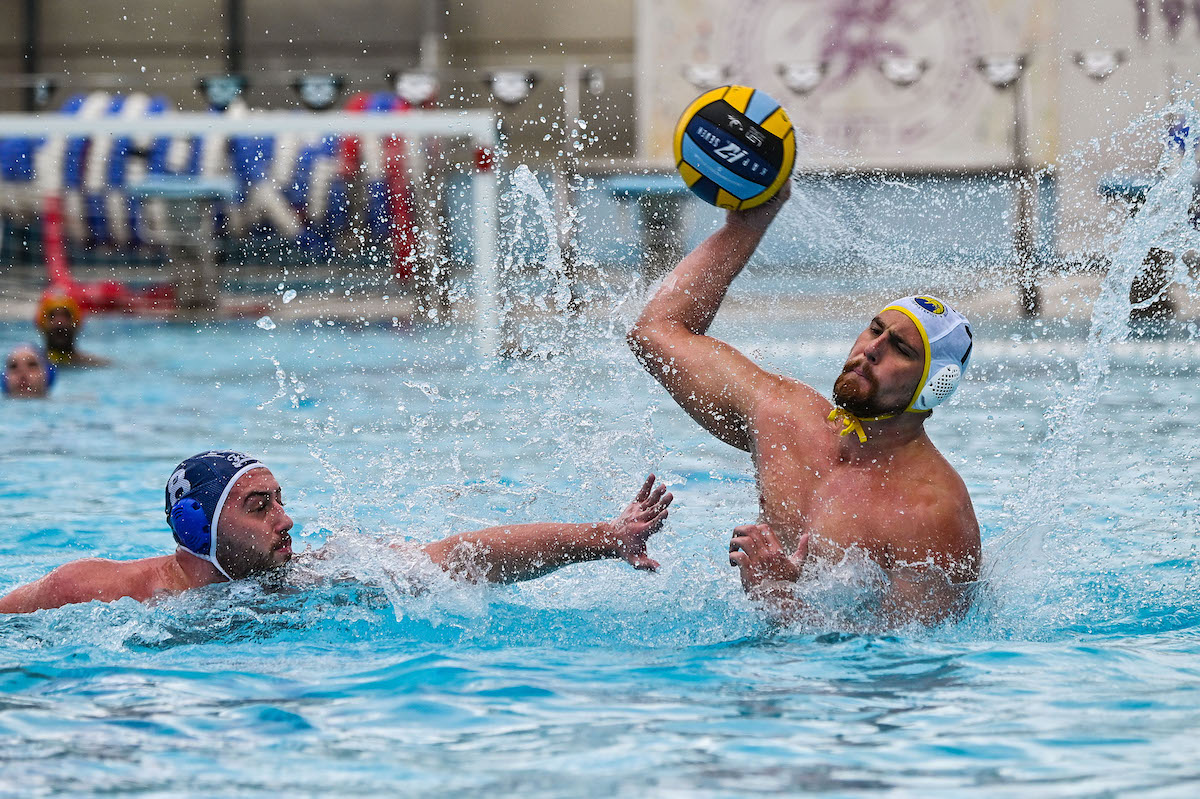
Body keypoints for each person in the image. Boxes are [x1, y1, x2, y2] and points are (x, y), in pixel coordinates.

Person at [627, 182, 979, 626]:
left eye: (902, 350)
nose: (871, 350)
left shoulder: (932, 513)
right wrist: (746, 225)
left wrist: (779, 598)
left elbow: (907, 658)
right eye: (875, 330)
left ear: (935, 387)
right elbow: (655, 332)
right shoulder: (783, 416)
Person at [0, 450, 673, 613]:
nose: (286, 519)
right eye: (259, 506)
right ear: (197, 526)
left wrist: (601, 538)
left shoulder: (313, 575)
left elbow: (458, 558)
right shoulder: (93, 591)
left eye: (280, 501)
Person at [36, 288, 111, 367]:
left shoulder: (94, 364)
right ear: (42, 325)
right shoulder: (32, 364)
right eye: (52, 316)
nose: (59, 323)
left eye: (66, 316)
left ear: (77, 324)